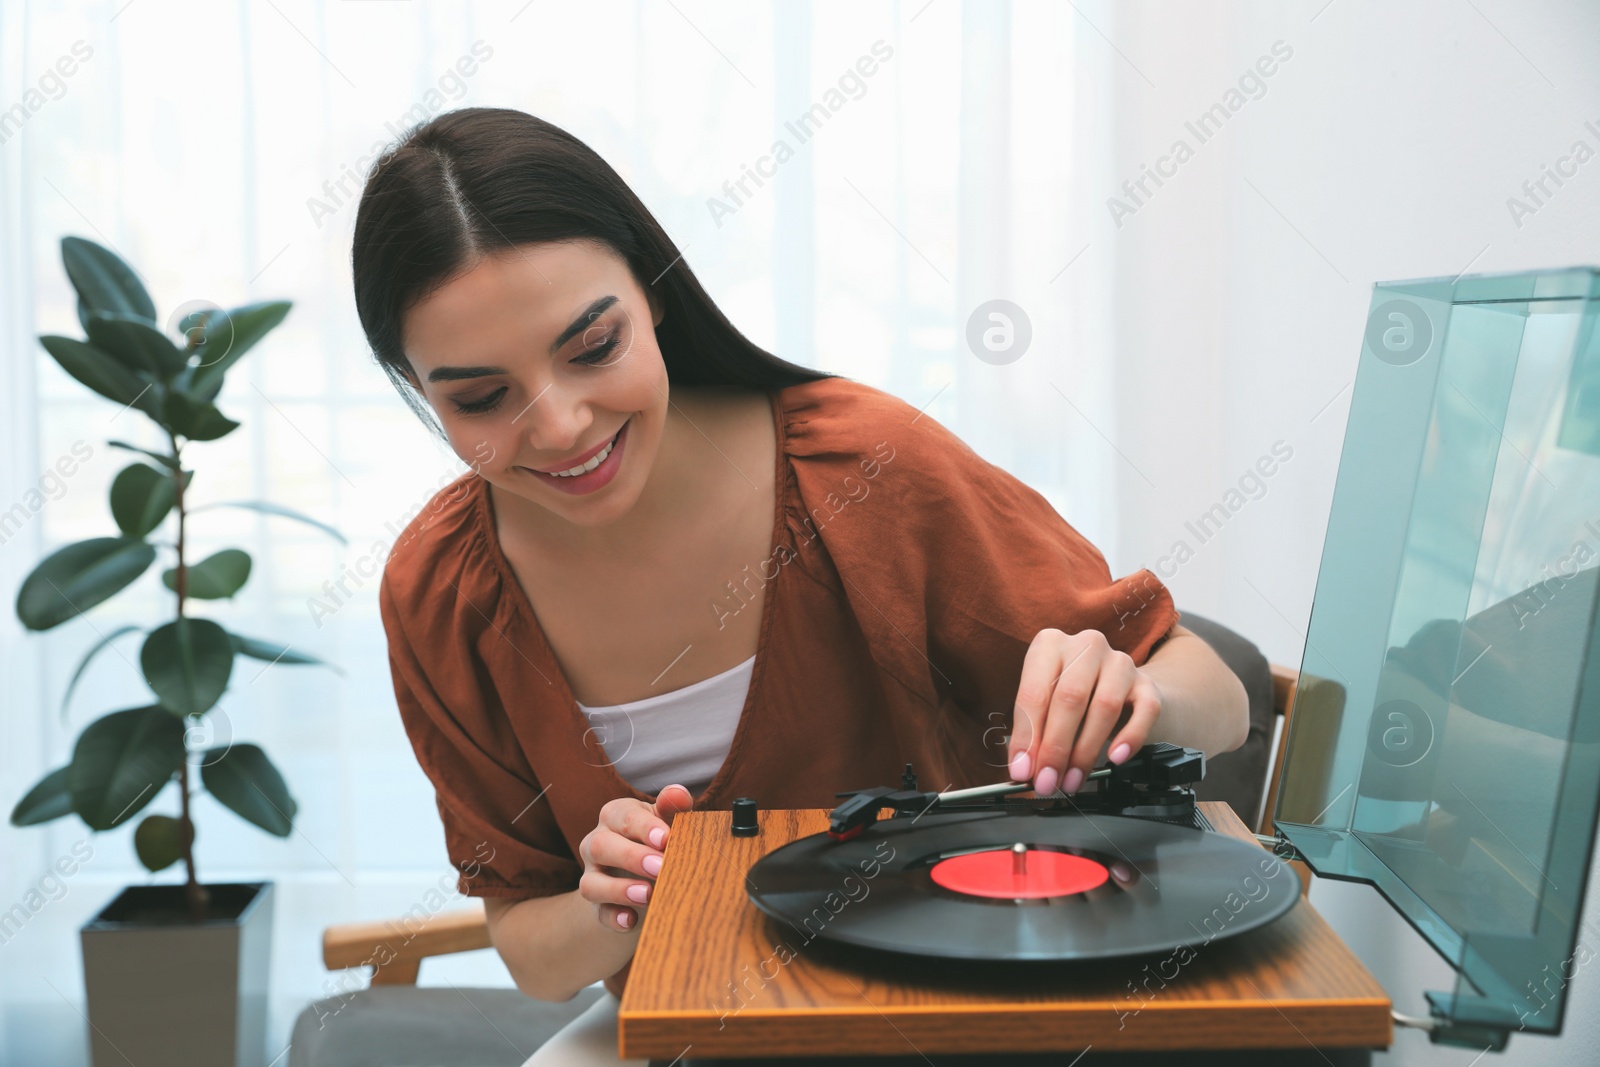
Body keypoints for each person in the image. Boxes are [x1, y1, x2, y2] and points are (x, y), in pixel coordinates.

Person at [352, 107, 1249, 1066]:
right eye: (482, 399)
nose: (563, 425)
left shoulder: (865, 467)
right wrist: (607, 900)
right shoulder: (439, 590)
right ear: (417, 387)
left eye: (592, 347)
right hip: (680, 1026)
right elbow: (534, 956)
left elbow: (1223, 699)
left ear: (653, 294)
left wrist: (1135, 694)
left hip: (936, 1015)